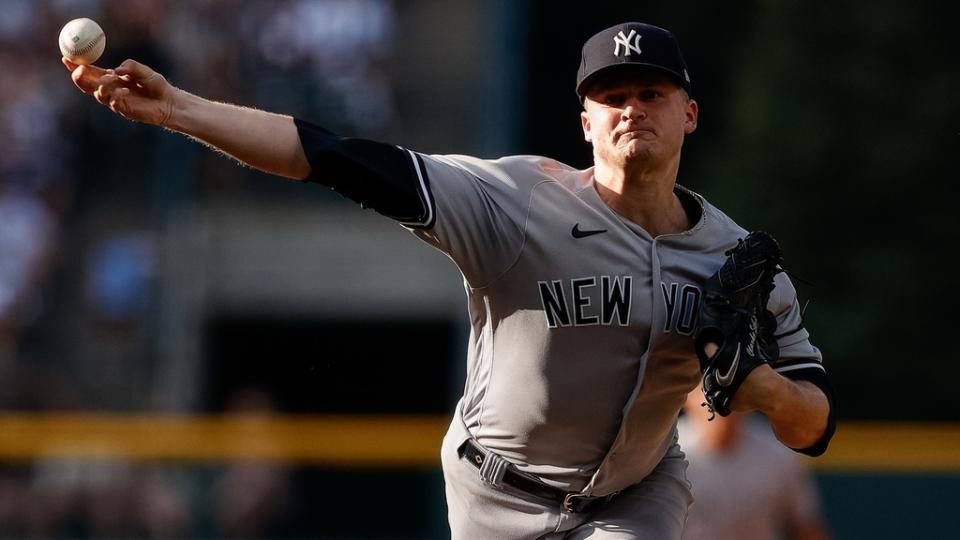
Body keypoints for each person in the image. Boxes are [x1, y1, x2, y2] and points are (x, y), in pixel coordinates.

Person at [64, 21, 835, 539]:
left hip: (638, 493)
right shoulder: (516, 202)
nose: (633, 109)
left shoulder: (736, 259)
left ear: (689, 113)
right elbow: (331, 156)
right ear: (585, 122)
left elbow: (813, 425)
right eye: (613, 96)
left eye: (652, 94)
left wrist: (762, 389)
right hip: (495, 489)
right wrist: (182, 110)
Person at [679, 387, 831, 540]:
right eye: (707, 391)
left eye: (730, 390)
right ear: (687, 398)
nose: (719, 401)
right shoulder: (667, 453)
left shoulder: (777, 453)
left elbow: (806, 527)